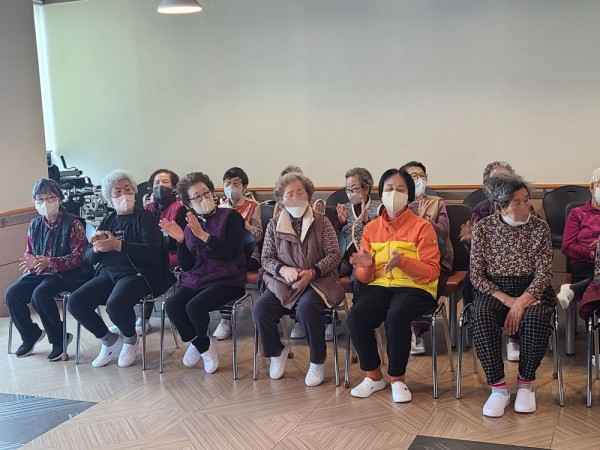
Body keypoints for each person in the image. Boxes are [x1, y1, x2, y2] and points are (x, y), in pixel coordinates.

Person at [347, 168, 440, 403]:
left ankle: (398, 379)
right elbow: (364, 278)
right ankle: (374, 376)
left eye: (400, 189)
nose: (394, 193)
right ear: (381, 193)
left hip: (416, 288)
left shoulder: (423, 227)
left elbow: (431, 272)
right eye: (389, 189)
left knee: (396, 315)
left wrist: (403, 262)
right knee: (356, 316)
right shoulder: (371, 228)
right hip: (380, 286)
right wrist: (366, 267)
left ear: (409, 195)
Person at [67, 170, 175, 368]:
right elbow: (88, 258)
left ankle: (130, 339)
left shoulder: (145, 218)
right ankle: (109, 341)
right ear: (109, 197)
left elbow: (152, 252)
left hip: (139, 274)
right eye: (117, 191)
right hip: (109, 273)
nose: (124, 194)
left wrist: (118, 245)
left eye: (128, 189)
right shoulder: (108, 221)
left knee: (115, 303)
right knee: (75, 301)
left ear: (134, 192)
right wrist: (97, 248)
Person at [469, 173, 555, 417]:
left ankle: (525, 384)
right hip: (495, 290)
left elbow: (544, 273)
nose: (525, 206)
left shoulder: (540, 227)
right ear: (499, 207)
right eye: (516, 202)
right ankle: (498, 388)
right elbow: (476, 275)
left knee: (536, 318)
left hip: (532, 289)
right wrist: (509, 301)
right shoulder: (483, 228)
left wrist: (521, 302)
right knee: (482, 316)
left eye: (526, 200)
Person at [252, 172, 344, 386]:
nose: (295, 198)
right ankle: (277, 352)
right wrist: (283, 270)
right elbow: (266, 258)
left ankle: (317, 360)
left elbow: (334, 254)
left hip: (318, 280)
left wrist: (312, 272)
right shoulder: (274, 224)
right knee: (261, 309)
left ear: (309, 195)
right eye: (289, 194)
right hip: (284, 281)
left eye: (300, 192)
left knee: (307, 309)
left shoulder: (321, 221)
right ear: (281, 199)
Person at [161, 172, 246, 374]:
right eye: (197, 196)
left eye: (206, 193)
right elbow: (187, 265)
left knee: (194, 307)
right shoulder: (190, 223)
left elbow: (231, 252)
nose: (204, 198)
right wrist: (181, 241)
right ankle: (203, 344)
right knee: (172, 305)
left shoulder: (230, 217)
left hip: (227, 279)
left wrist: (203, 235)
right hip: (197, 278)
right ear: (188, 202)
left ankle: (200, 343)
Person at [5, 179, 88, 360]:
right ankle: (30, 334)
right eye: (40, 199)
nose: (45, 203)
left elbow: (78, 257)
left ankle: (59, 339)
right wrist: (30, 261)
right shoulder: (35, 224)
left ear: (59, 199)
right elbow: (29, 252)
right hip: (40, 272)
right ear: (35, 202)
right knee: (12, 294)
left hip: (68, 273)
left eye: (50, 198)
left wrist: (50, 262)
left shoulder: (73, 223)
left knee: (40, 294)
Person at [459, 161, 530, 362]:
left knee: (519, 284)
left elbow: (530, 245)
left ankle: (514, 337)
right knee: (470, 285)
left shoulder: (524, 206)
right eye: (496, 181)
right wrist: (471, 241)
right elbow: (475, 255)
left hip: (518, 268)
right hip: (488, 270)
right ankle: (483, 331)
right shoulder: (481, 209)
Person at [400, 161, 453, 355]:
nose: (420, 179)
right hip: (404, 259)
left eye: (422, 175)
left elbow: (444, 233)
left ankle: (416, 330)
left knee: (424, 279)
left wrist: (425, 222)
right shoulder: (397, 204)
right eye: (414, 176)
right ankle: (401, 327)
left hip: (435, 258)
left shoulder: (436, 202)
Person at [133, 169, 187, 335]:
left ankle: (145, 314)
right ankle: (131, 312)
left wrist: (160, 239)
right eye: (157, 183)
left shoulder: (180, 209)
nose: (160, 186)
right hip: (151, 251)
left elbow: (181, 240)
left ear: (173, 187)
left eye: (165, 182)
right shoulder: (146, 209)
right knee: (133, 263)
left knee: (150, 266)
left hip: (172, 253)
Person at [212, 167, 262, 340]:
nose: (231, 187)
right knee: (218, 266)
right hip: (227, 253)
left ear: (244, 187)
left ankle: (226, 318)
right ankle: (221, 315)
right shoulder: (219, 207)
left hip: (250, 254)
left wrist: (241, 222)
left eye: (235, 183)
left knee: (232, 268)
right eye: (227, 183)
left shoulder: (253, 206)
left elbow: (258, 235)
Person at [557, 167, 600, 309]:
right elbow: (567, 246)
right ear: (592, 187)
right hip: (586, 264)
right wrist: (592, 252)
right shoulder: (578, 213)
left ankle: (574, 289)